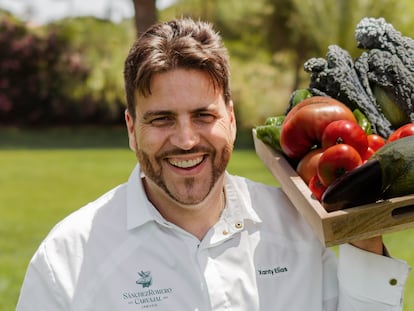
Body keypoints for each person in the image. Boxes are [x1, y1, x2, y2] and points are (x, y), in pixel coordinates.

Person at [16, 17, 410, 311]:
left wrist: (366, 231)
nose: (186, 140)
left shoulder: (299, 227)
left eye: (203, 116)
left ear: (232, 120)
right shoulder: (65, 260)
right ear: (131, 129)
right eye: (161, 119)